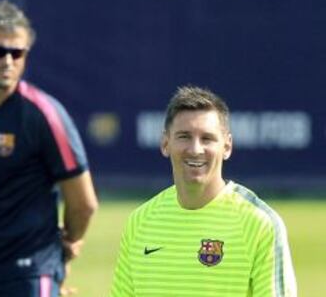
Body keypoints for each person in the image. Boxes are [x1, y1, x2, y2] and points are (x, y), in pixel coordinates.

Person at [0, 0, 98, 297]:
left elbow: (84, 203)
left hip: (30, 274)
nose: (8, 61)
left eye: (17, 52)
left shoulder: (44, 115)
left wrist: (60, 255)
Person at [109, 86, 297, 296]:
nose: (196, 149)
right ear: (165, 143)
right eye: (184, 136)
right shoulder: (139, 222)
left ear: (227, 147)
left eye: (207, 138)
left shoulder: (260, 224)